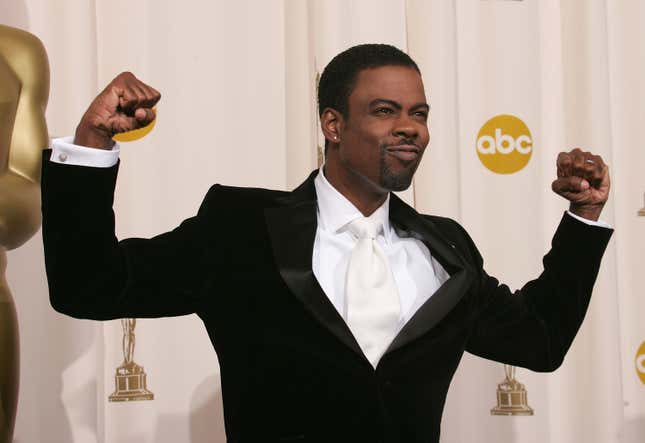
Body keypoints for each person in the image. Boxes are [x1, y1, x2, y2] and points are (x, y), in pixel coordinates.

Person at [41, 44, 612, 442]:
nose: (409, 127)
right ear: (332, 125)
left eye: (419, 113)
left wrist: (584, 218)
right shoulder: (242, 228)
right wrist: (92, 144)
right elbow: (90, 285)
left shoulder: (448, 251)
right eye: (385, 111)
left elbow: (539, 341)